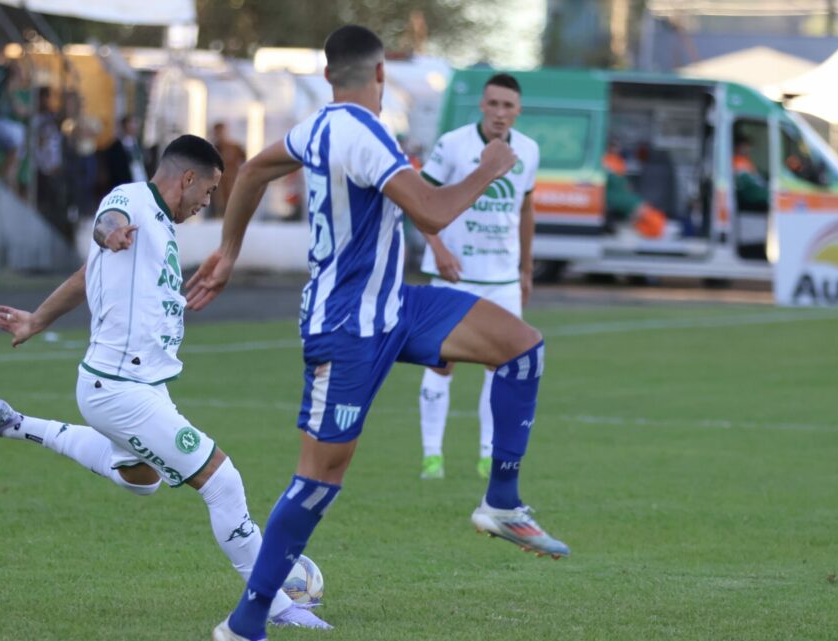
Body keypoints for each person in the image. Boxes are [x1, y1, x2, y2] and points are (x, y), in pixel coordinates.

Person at [188, 26, 568, 641]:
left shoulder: (318, 125)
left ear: (330, 73)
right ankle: (245, 622)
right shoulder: (362, 134)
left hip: (397, 306)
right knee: (321, 477)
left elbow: (254, 169)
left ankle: (501, 502)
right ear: (382, 74)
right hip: (346, 330)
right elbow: (435, 211)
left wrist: (229, 250)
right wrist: (492, 167)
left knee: (521, 346)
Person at [0, 134, 330, 631]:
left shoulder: (159, 227)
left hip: (140, 386)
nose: (207, 203)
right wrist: (108, 232)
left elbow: (85, 274)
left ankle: (15, 423)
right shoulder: (133, 201)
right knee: (223, 481)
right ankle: (275, 607)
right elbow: (104, 224)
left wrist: (36, 320)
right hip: (119, 387)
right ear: (189, 178)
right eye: (210, 190)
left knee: (143, 480)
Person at [415, 73, 539, 482]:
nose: (501, 113)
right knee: (440, 364)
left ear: (519, 110)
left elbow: (524, 209)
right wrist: (440, 250)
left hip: (502, 280)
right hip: (455, 274)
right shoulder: (453, 145)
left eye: (509, 106)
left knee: (503, 365)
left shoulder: (529, 151)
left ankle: (489, 453)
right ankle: (432, 456)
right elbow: (420, 200)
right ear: (482, 106)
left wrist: (525, 269)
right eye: (494, 104)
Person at [103, 113, 149, 191]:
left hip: (141, 183)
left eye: (136, 123)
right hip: (125, 185)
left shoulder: (138, 144)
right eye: (131, 123)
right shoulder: (115, 147)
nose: (134, 126)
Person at [210, 122, 246, 218]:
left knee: (232, 199)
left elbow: (244, 161)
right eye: (217, 132)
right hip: (219, 182)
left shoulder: (235, 147)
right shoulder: (213, 148)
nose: (219, 134)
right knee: (219, 202)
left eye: (221, 131)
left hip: (232, 179)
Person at [733, 134, 768, 212]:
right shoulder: (737, 161)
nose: (747, 149)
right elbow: (748, 181)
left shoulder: (745, 160)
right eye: (745, 146)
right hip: (751, 195)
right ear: (738, 147)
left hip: (756, 190)